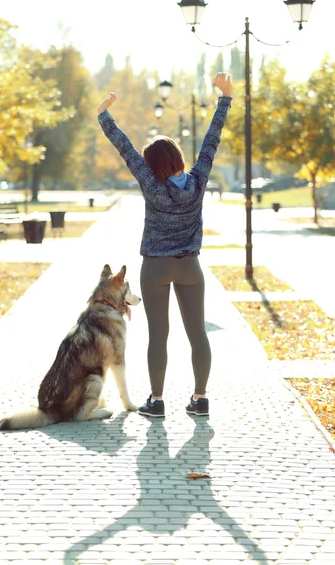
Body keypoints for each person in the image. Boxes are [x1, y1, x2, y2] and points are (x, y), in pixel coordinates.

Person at [97, 73, 233, 418]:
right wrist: (225, 99)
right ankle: (200, 399)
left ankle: (156, 402)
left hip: (156, 267)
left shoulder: (151, 184)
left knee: (159, 333)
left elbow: (126, 150)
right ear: (177, 157)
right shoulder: (199, 180)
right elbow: (211, 142)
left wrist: (105, 116)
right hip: (190, 265)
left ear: (153, 165)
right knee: (197, 332)